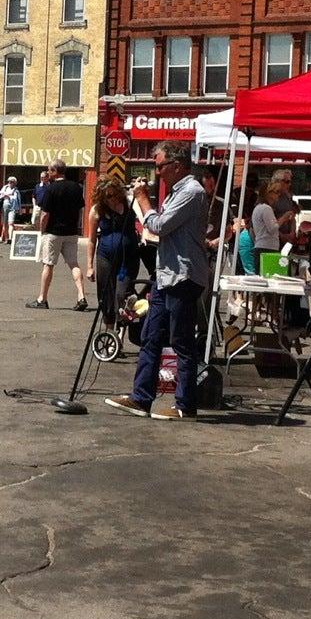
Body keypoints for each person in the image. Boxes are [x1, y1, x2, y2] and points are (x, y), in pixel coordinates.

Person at [108, 141, 210, 420]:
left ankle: (185, 405)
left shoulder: (191, 192)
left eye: (160, 166)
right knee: (150, 336)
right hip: (166, 275)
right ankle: (141, 398)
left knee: (181, 341)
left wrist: (142, 200)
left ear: (177, 166)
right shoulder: (176, 192)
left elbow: (160, 226)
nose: (157, 172)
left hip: (183, 275)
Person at [30, 159, 88, 311]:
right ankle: (81, 296)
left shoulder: (50, 189)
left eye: (49, 170)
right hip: (71, 232)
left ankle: (42, 299)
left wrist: (42, 230)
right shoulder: (76, 187)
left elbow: (45, 214)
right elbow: (81, 209)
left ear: (55, 171)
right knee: (73, 264)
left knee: (48, 265)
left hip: (53, 232)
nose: (48, 173)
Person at [87, 176, 139, 321]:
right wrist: (90, 266)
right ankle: (110, 330)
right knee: (106, 295)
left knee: (122, 294)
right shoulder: (97, 210)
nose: (112, 199)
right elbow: (91, 240)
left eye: (114, 194)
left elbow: (144, 221)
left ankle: (122, 327)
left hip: (128, 258)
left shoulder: (129, 204)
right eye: (108, 196)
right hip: (105, 257)